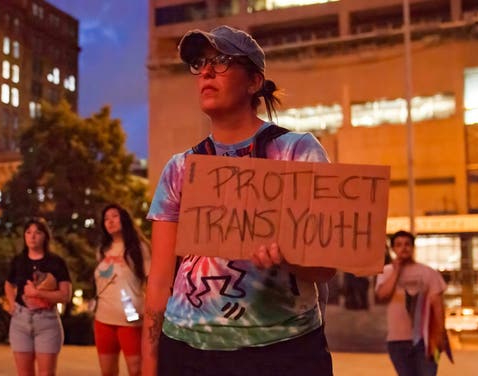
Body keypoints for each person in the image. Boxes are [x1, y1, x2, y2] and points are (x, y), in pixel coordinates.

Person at [142, 25, 335, 376]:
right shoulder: (179, 168)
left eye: (223, 61)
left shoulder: (297, 150)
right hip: (185, 350)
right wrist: (150, 361)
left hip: (282, 351)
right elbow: (159, 278)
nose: (207, 71)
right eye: (200, 63)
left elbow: (326, 266)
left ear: (254, 82)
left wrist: (289, 256)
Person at [4, 217, 72, 376]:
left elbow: (65, 295)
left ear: (45, 236)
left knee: (46, 373)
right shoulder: (18, 261)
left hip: (46, 321)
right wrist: (12, 303)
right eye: (28, 232)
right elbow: (8, 283)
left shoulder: (56, 262)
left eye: (37, 232)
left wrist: (38, 293)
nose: (32, 236)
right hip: (21, 321)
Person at [375, 230, 447, 376]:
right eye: (399, 245)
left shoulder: (428, 273)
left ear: (413, 248)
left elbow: (437, 305)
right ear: (393, 249)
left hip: (425, 341)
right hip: (397, 341)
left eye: (407, 244)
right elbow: (382, 295)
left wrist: (440, 334)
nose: (404, 248)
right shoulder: (386, 272)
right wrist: (396, 271)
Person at [93, 204, 151, 376]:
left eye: (114, 216)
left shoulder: (139, 248)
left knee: (136, 370)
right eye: (106, 219)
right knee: (107, 371)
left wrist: (149, 311)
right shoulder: (102, 250)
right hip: (103, 318)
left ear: (124, 218)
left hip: (130, 320)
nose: (110, 221)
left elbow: (151, 283)